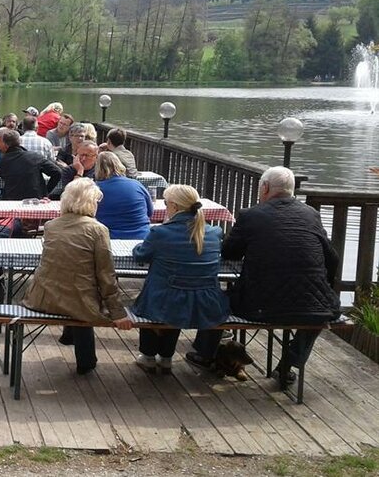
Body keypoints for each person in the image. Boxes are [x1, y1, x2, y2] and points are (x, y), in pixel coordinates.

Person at [187, 167, 340, 383]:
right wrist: (324, 286)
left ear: (265, 188)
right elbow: (332, 258)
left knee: (216, 299)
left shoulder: (251, 215)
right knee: (319, 315)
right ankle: (287, 365)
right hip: (311, 305)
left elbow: (229, 252)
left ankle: (205, 353)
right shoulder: (311, 214)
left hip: (260, 306)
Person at [21, 178, 133, 374]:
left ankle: (68, 336)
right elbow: (106, 275)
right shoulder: (98, 230)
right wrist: (117, 312)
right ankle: (86, 361)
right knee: (82, 296)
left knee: (68, 281)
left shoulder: (51, 226)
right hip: (79, 302)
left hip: (43, 297)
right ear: (91, 202)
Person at [130, 184, 229, 373]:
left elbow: (141, 255)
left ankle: (149, 356)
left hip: (165, 302)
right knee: (176, 290)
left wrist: (137, 247)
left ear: (174, 206)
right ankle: (166, 357)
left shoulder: (161, 233)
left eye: (166, 203)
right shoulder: (214, 233)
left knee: (157, 295)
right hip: (206, 303)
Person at [94, 151, 153, 239]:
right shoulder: (137, 185)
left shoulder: (94, 189)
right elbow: (150, 212)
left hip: (109, 238)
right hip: (142, 236)